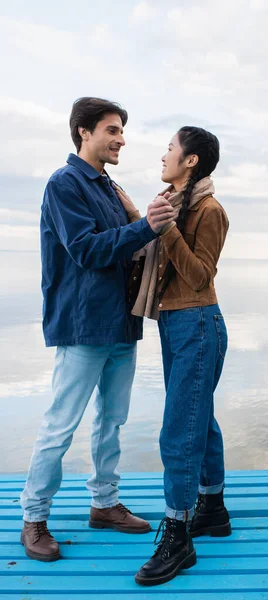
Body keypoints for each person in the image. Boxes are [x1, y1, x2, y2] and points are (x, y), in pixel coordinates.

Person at [20, 97, 174, 562]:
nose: (121, 138)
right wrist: (146, 226)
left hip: (121, 324)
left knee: (113, 421)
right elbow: (87, 250)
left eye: (122, 130)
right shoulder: (64, 183)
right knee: (60, 426)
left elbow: (124, 250)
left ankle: (104, 505)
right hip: (84, 326)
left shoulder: (110, 186)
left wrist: (145, 224)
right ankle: (34, 517)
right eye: (112, 129)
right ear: (83, 132)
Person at [114, 126, 231, 586]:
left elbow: (200, 275)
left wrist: (164, 230)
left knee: (179, 429)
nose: (164, 154)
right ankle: (213, 508)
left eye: (170, 148)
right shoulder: (175, 202)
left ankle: (179, 536)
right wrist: (141, 218)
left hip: (198, 323)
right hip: (176, 324)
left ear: (191, 161)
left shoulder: (209, 210)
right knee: (198, 418)